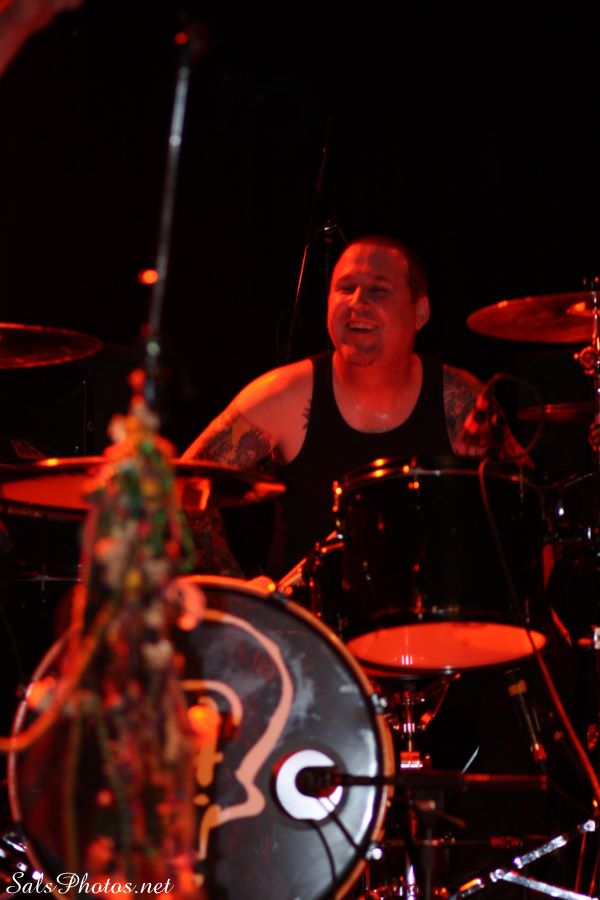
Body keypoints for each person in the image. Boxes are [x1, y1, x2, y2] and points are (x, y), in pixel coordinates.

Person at [183, 235, 523, 579]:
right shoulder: (283, 394)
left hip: (434, 609)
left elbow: (528, 502)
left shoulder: (461, 398)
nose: (357, 302)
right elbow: (180, 490)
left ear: (420, 312)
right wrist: (237, 594)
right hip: (305, 613)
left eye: (378, 290)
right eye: (345, 288)